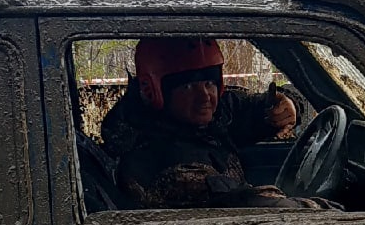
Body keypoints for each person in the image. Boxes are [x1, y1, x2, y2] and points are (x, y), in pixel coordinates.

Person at [100, 37, 332, 209]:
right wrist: (322, 211)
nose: (205, 97)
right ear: (153, 91)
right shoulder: (166, 167)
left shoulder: (197, 117)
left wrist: (289, 104)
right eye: (188, 87)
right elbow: (248, 204)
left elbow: (252, 105)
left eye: (209, 83)